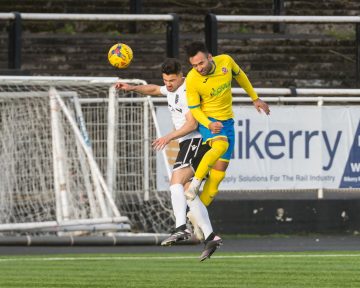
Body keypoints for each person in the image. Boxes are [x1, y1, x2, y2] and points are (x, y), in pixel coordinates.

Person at [115, 58, 220, 261]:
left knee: (175, 183)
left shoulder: (188, 91)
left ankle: (181, 228)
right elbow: (154, 90)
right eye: (166, 80)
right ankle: (210, 236)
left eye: (172, 80)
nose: (168, 84)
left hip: (195, 141)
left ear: (182, 76)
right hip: (188, 143)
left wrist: (168, 136)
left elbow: (192, 124)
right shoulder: (171, 89)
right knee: (190, 192)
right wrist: (131, 87)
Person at [184, 41, 270, 254]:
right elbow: (194, 109)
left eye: (201, 63)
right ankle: (194, 184)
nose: (199, 68)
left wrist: (255, 98)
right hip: (209, 122)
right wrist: (208, 123)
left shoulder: (226, 61)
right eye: (194, 65)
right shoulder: (193, 79)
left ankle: (195, 217)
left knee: (218, 177)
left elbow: (240, 76)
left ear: (210, 56)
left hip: (227, 122)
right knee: (220, 145)